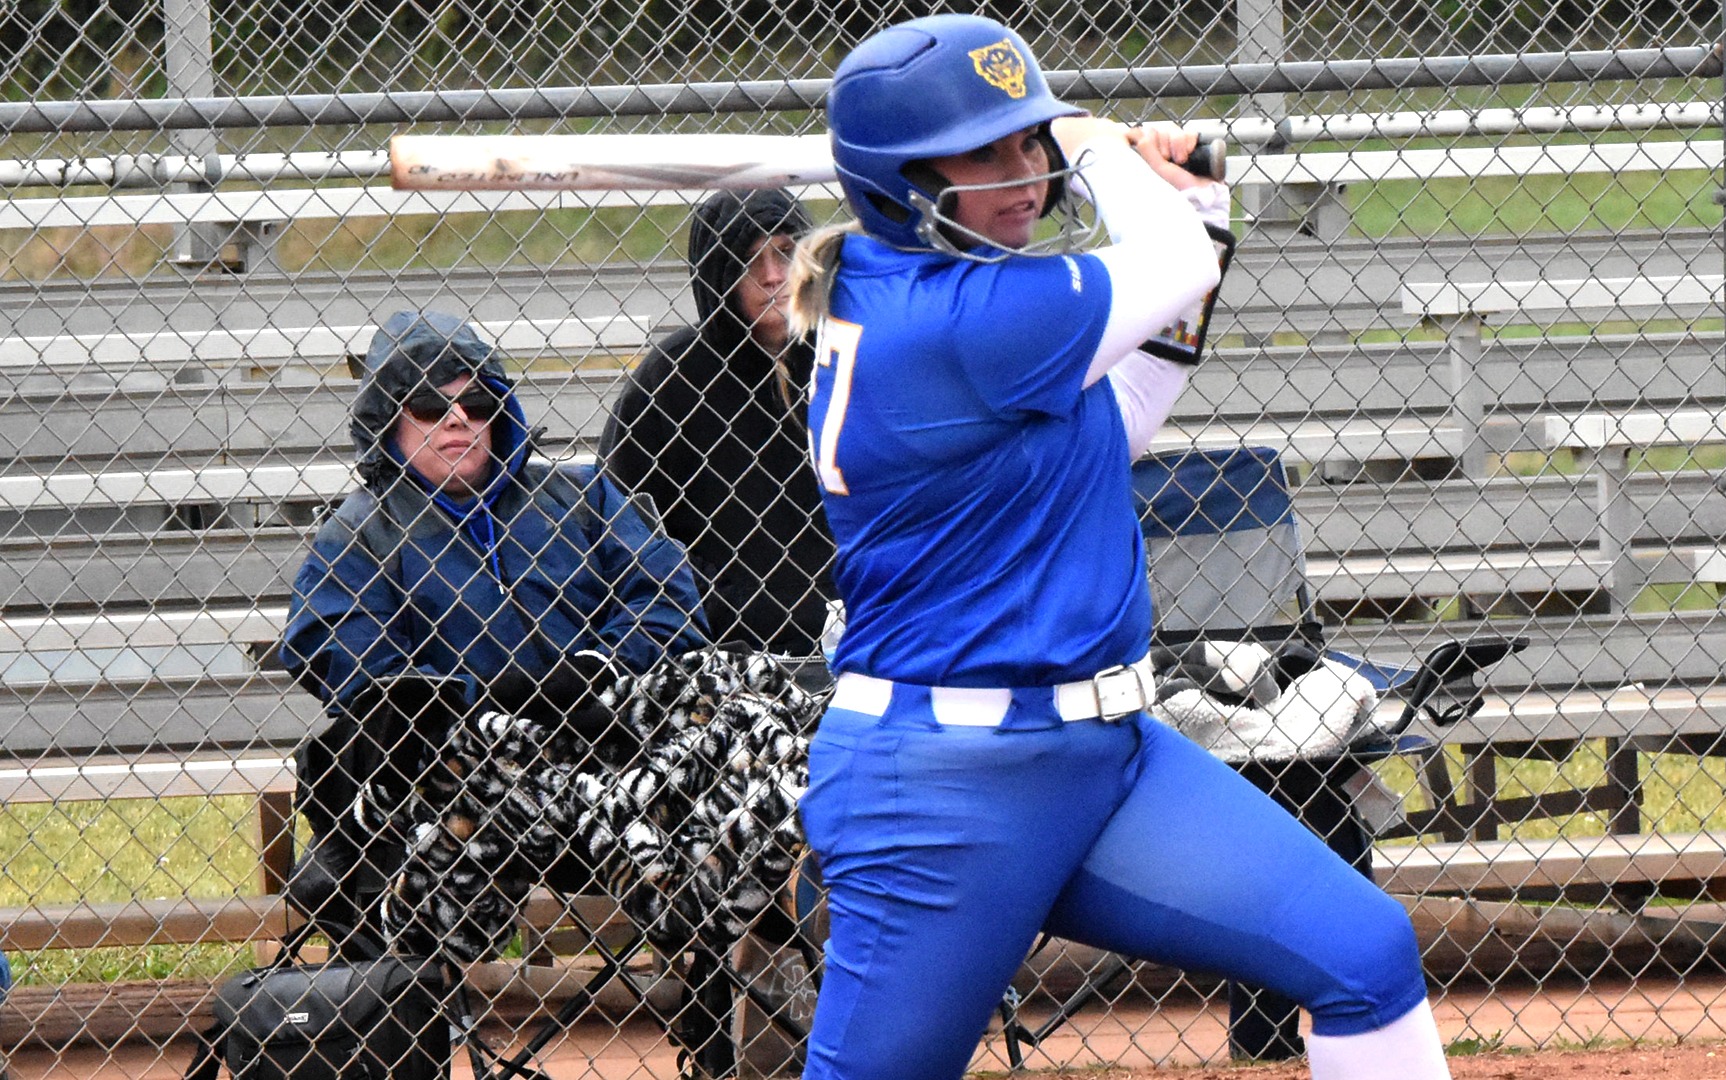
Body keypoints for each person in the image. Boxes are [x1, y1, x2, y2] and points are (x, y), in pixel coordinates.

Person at [786, 14, 1451, 1080]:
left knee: (1365, 951)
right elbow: (1169, 263)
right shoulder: (958, 322)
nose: (1023, 173)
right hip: (948, 788)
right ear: (896, 182)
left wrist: (1194, 202)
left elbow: (1123, 414)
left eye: (1030, 143)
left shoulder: (929, 291)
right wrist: (1098, 142)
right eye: (984, 150)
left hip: (1108, 759)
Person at [278, 308, 709, 960]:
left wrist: (597, 666)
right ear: (389, 422)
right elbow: (335, 641)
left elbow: (669, 596)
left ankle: (724, 1015)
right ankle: (408, 1017)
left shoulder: (582, 496)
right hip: (461, 774)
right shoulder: (362, 531)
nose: (459, 420)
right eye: (429, 405)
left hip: (605, 750)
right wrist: (473, 703)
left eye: (478, 402)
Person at [599, 189, 837, 658]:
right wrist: (712, 594)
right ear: (718, 276)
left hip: (859, 629)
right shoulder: (673, 378)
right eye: (748, 261)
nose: (772, 276)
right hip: (721, 648)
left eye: (786, 253)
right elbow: (619, 518)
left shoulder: (846, 356)